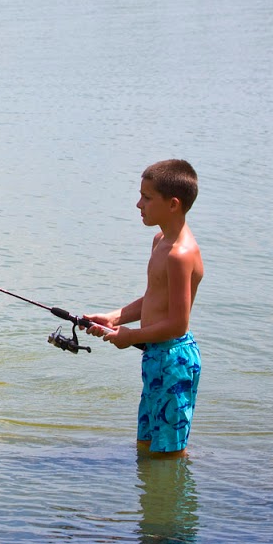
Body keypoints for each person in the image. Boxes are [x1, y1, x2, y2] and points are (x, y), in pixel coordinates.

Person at [85, 159, 205, 458]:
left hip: (174, 361)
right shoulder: (160, 241)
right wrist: (115, 316)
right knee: (147, 444)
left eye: (147, 198)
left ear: (173, 204)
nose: (139, 204)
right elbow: (154, 298)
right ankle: (151, 500)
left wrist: (131, 336)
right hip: (154, 356)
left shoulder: (180, 254)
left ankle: (171, 500)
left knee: (169, 452)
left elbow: (178, 324)